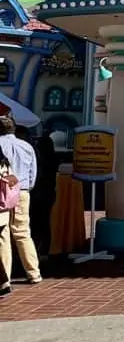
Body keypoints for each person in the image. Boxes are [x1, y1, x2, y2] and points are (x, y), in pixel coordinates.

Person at [0, 115, 42, 284]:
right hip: (22, 191)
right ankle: (34, 272)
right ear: (14, 129)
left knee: (2, 234)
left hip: (2, 191)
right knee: (22, 232)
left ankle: (5, 278)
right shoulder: (27, 146)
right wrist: (26, 188)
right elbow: (33, 173)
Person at [30, 133, 58, 259]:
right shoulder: (54, 160)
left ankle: (36, 249)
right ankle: (45, 250)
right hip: (49, 194)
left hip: (38, 194)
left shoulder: (40, 161)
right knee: (45, 223)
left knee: (35, 223)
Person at [0, 151, 18, 297]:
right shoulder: (5, 164)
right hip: (4, 210)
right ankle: (5, 281)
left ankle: (3, 281)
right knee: (4, 244)